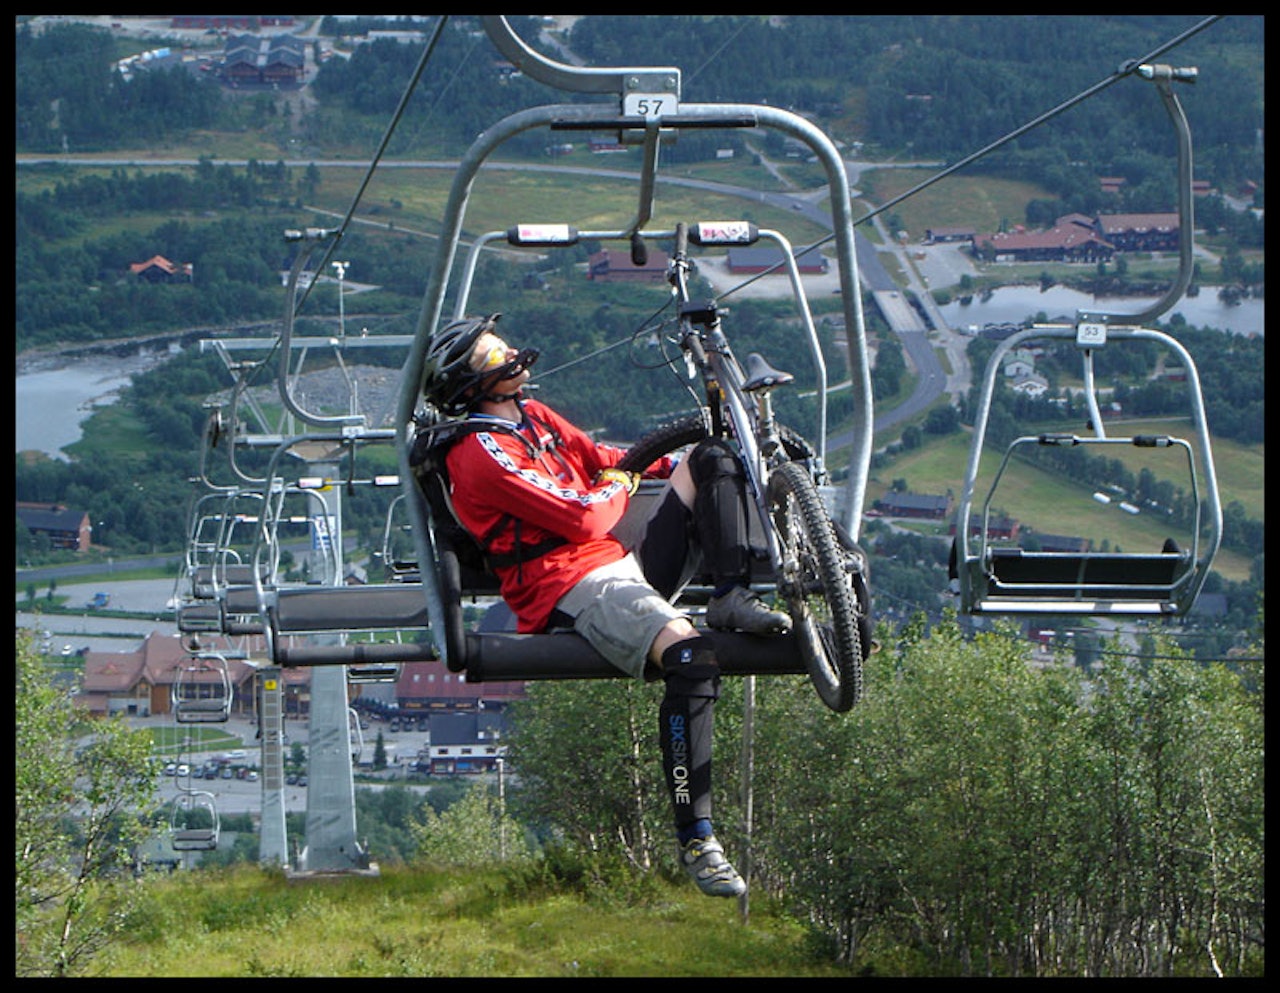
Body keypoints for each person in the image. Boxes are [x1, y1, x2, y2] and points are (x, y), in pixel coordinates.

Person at [421, 313, 792, 898]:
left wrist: (666, 465)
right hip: (568, 583)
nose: (508, 354)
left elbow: (601, 456)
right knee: (691, 656)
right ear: (469, 382)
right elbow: (584, 516)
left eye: (503, 345)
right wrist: (620, 481)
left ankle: (731, 594)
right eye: (491, 354)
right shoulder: (478, 453)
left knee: (710, 457)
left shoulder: (531, 416)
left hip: (617, 559)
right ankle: (697, 835)